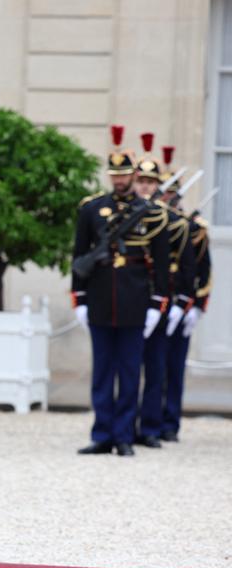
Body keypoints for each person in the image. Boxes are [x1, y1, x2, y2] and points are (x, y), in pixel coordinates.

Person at [72, 125, 169, 457]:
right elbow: (79, 255)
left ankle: (125, 435)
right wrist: (79, 298)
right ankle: (102, 433)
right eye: (114, 173)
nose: (119, 179)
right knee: (102, 372)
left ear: (132, 173)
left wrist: (158, 304)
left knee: (129, 373)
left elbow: (161, 261)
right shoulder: (91, 209)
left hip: (134, 300)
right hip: (99, 298)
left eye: (124, 173)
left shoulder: (152, 214)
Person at [132, 137, 195, 448]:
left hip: (160, 301)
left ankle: (152, 427)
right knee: (127, 368)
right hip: (131, 299)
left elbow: (186, 267)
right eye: (140, 181)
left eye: (150, 182)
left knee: (156, 368)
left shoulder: (173, 222)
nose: (144, 187)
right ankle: (125, 424)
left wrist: (180, 304)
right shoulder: (126, 215)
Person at [157, 146, 214, 442]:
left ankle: (170, 422)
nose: (167, 200)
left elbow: (203, 270)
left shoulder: (194, 228)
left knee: (174, 367)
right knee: (151, 366)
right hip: (156, 301)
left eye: (171, 195)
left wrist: (197, 306)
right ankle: (149, 419)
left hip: (182, 302)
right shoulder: (156, 223)